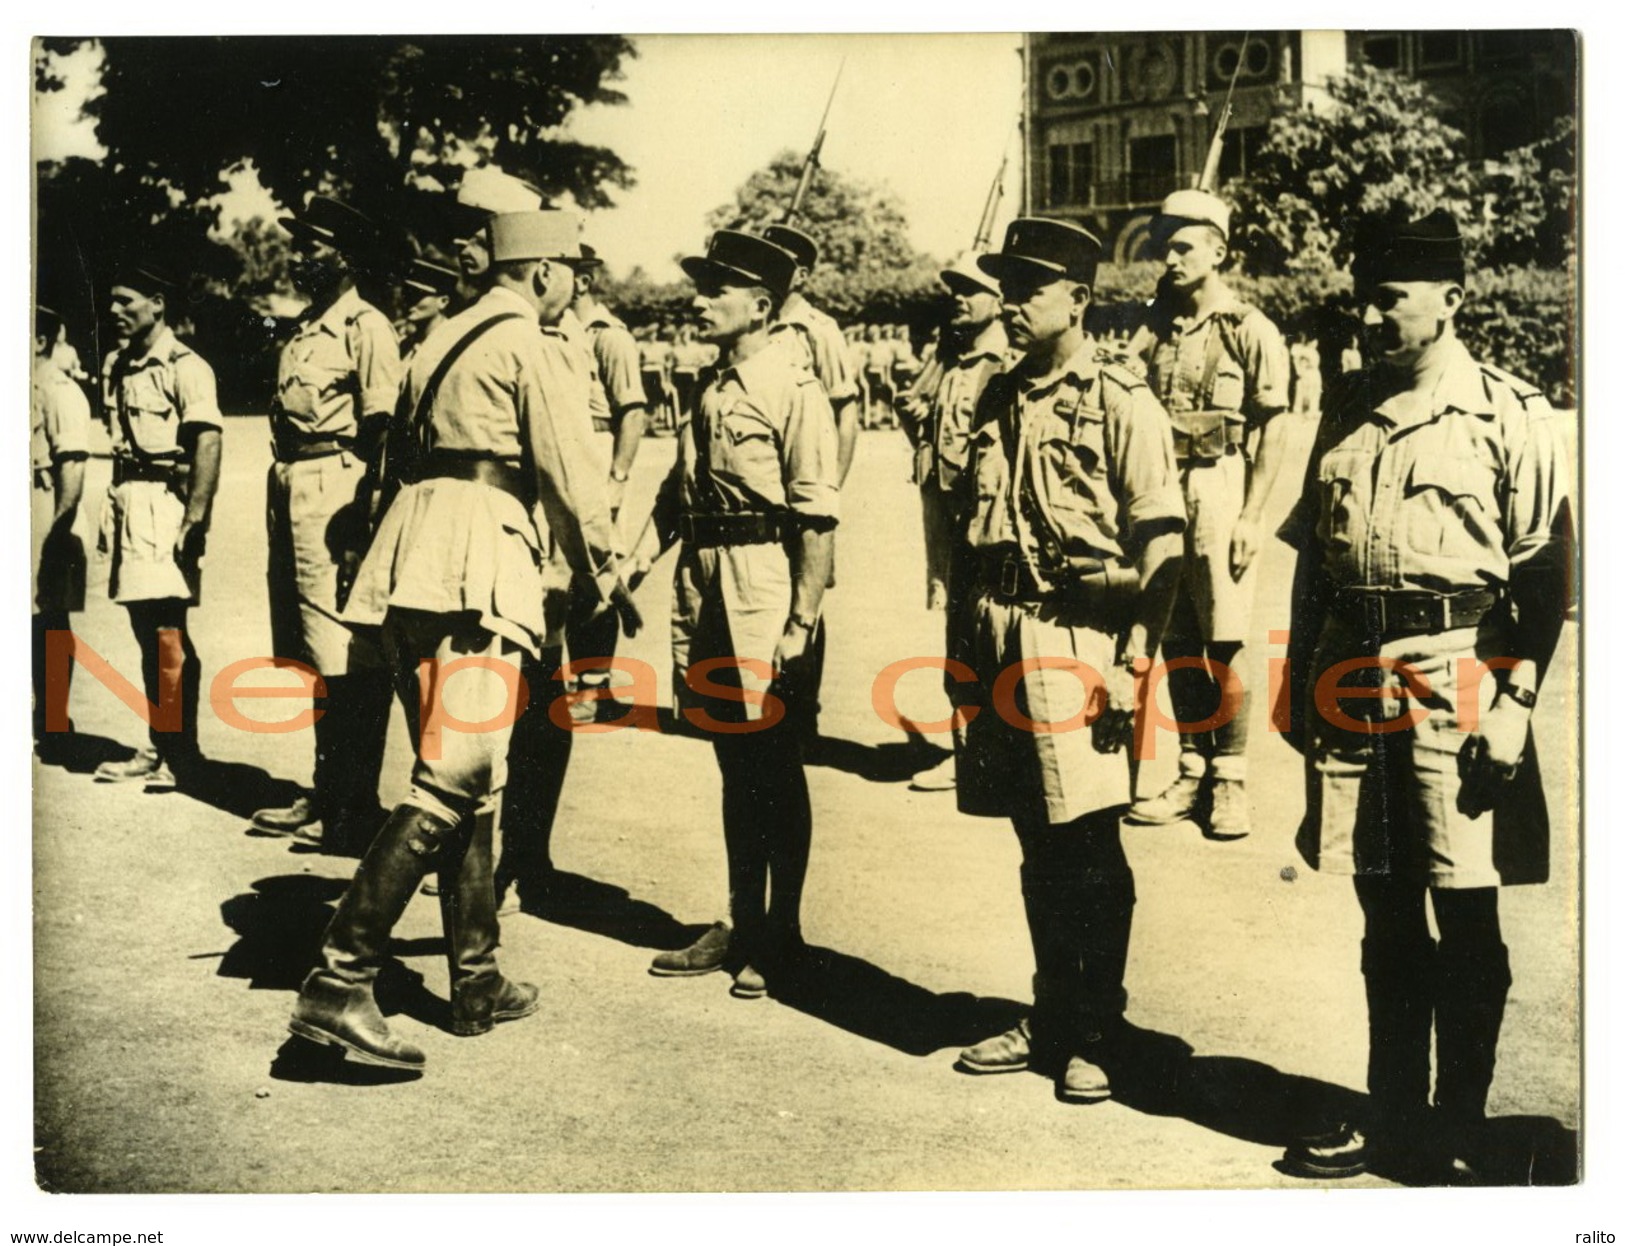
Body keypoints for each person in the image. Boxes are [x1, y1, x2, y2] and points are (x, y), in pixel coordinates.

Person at [286, 209, 636, 1072]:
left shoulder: (440, 335)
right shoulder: (533, 343)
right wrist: (606, 574)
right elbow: (567, 471)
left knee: (469, 770)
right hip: (479, 563)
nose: (575, 290)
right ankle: (338, 985)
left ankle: (475, 978)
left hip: (413, 561)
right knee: (458, 771)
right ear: (546, 272)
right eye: (573, 273)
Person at [1277, 210, 1572, 1182]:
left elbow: (1542, 571)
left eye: (1388, 296)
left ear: (1449, 298)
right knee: (1380, 904)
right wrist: (1295, 678)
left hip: (1459, 668)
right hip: (1350, 667)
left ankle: (1460, 1120)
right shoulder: (1342, 404)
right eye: (1362, 294)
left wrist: (1514, 703)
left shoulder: (1506, 411)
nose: (1369, 313)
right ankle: (1389, 1111)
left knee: (1464, 904)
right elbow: (1312, 563)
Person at [950, 218, 1184, 1104]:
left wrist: (1133, 658)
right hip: (1000, 627)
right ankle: (1050, 1010)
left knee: (1088, 840)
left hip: (1077, 638)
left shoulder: (1123, 400)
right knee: (1032, 835)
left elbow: (1164, 546)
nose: (1008, 303)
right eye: (1003, 286)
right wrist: (960, 656)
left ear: (1078, 300)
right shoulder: (996, 395)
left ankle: (1096, 1025)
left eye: (1028, 288)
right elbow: (972, 539)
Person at [627, 229, 839, 999]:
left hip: (765, 587)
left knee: (774, 765)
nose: (697, 301)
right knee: (731, 760)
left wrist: (800, 620)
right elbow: (672, 497)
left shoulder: (793, 387)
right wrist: (629, 564)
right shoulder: (710, 387)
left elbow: (816, 517)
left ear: (760, 306)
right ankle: (742, 918)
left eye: (715, 290)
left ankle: (780, 932)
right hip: (705, 586)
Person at [1123, 189, 1291, 841]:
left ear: (1219, 252)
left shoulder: (1249, 328)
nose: (1169, 257)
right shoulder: (1156, 326)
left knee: (1224, 639)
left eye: (1183, 245)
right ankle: (1191, 767)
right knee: (1175, 636)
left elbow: (1272, 426)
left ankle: (1230, 778)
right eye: (1164, 246)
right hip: (1161, 488)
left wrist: (1251, 516)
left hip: (1220, 486)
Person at [250, 196, 403, 856]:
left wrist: (363, 514)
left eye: (313, 244)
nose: (299, 255)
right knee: (312, 648)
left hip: (337, 486)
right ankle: (326, 790)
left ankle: (354, 806)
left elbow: (382, 427)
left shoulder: (366, 326)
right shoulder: (309, 325)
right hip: (292, 482)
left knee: (347, 653)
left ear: (344, 256)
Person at [91, 260, 223, 791]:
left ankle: (179, 752)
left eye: (127, 301)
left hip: (165, 505)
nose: (115, 310)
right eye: (113, 301)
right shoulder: (118, 363)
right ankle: (159, 743)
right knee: (148, 634)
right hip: (128, 500)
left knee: (169, 634)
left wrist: (195, 518)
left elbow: (208, 443)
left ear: (158, 304)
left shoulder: (185, 365)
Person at [897, 252, 1011, 793]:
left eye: (970, 289)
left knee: (988, 636)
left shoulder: (1004, 360)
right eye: (955, 289)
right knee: (960, 636)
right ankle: (970, 751)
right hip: (953, 524)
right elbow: (936, 447)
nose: (958, 297)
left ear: (998, 300)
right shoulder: (956, 359)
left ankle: (989, 753)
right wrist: (913, 419)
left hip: (988, 523)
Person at [560, 242, 649, 722]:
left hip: (597, 454)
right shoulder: (548, 330)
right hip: (563, 456)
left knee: (597, 575)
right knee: (563, 575)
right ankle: (576, 679)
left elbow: (632, 411)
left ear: (583, 281)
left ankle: (595, 687)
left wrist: (617, 477)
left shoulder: (609, 337)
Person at [31, 305, 92, 762]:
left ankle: (53, 721)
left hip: (43, 514)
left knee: (47, 621)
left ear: (39, 340)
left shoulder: (60, 391)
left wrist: (57, 532)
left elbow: (71, 470)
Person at [398, 259, 459, 364]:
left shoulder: (451, 344)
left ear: (443, 302)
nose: (409, 300)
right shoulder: (405, 344)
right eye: (407, 293)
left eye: (418, 295)